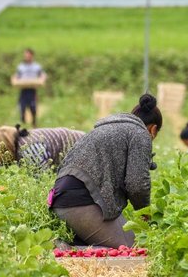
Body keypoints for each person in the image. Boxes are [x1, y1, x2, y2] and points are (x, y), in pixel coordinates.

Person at [48, 94, 162, 247]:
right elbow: (137, 184)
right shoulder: (141, 133)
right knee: (132, 247)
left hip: (61, 198)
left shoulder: (107, 128)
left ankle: (73, 244)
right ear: (153, 130)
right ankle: (63, 249)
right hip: (82, 202)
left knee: (120, 238)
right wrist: (145, 214)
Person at [0, 124, 83, 170]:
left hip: (82, 147)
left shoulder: (29, 149)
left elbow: (43, 177)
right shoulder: (13, 144)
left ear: (5, 147)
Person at [14, 48, 45, 126]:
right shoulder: (21, 67)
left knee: (33, 109)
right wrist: (14, 79)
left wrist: (42, 79)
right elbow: (16, 76)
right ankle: (23, 126)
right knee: (22, 109)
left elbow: (42, 75)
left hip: (32, 91)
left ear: (32, 56)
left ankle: (34, 125)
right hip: (23, 91)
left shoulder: (37, 66)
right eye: (25, 55)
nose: (26, 57)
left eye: (28, 55)